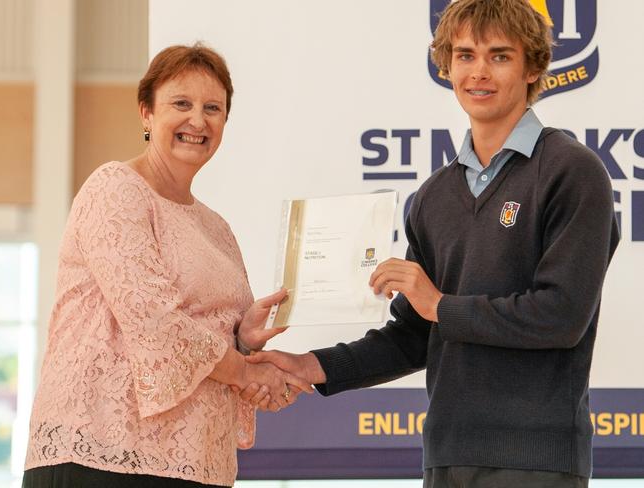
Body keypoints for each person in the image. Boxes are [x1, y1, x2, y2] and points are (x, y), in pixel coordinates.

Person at [246, 0, 620, 486]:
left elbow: (561, 316)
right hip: (445, 456)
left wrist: (440, 304)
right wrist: (310, 366)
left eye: (500, 56)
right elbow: (412, 336)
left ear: (532, 67)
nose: (479, 72)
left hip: (538, 460)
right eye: (465, 55)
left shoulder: (573, 172)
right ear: (446, 67)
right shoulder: (433, 197)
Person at [22, 43, 312, 488]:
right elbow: (157, 322)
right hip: (102, 456)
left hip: (196, 462)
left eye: (212, 108)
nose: (198, 120)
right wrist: (247, 372)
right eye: (181, 103)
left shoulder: (217, 227)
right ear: (146, 113)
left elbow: (203, 336)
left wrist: (244, 338)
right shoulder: (115, 189)